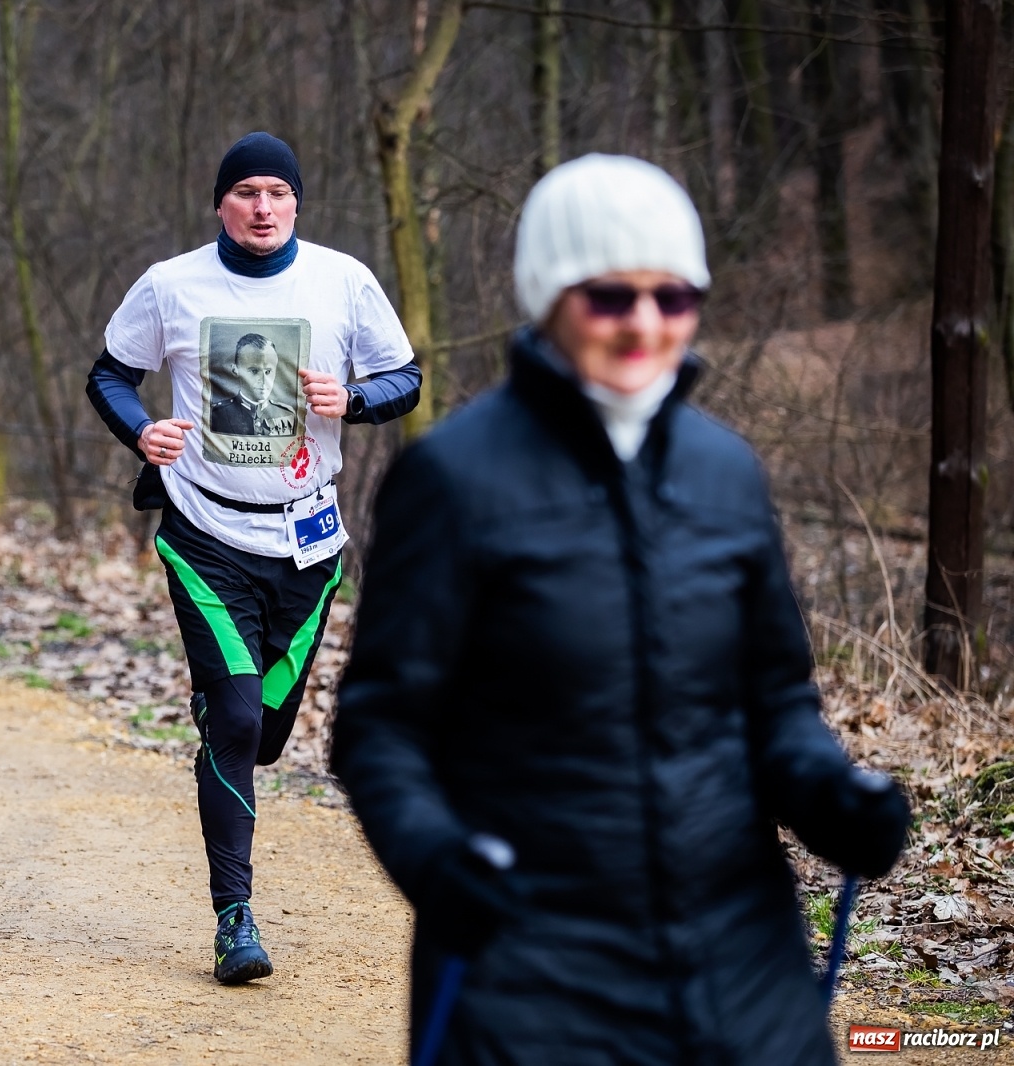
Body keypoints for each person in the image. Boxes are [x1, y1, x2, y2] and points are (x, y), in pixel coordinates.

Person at [332, 154, 910, 1064]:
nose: (646, 325)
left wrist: (832, 798)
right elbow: (380, 729)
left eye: (674, 298)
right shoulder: (451, 480)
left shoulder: (727, 474)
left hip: (742, 962)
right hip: (531, 970)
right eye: (611, 297)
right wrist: (437, 859)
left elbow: (776, 703)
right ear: (550, 297)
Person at [86, 131, 422, 985]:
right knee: (235, 721)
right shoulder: (172, 285)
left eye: (277, 191)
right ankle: (234, 920)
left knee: (264, 733)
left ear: (297, 201)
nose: (262, 206)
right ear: (221, 204)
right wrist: (142, 431)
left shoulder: (344, 281)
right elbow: (109, 375)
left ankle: (230, 726)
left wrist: (352, 398)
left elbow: (406, 379)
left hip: (309, 545)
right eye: (245, 192)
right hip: (206, 536)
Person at [209, 333, 297, 436]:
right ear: (235, 370)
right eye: (254, 371)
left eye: (268, 371)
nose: (264, 380)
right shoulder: (217, 414)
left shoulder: (287, 414)